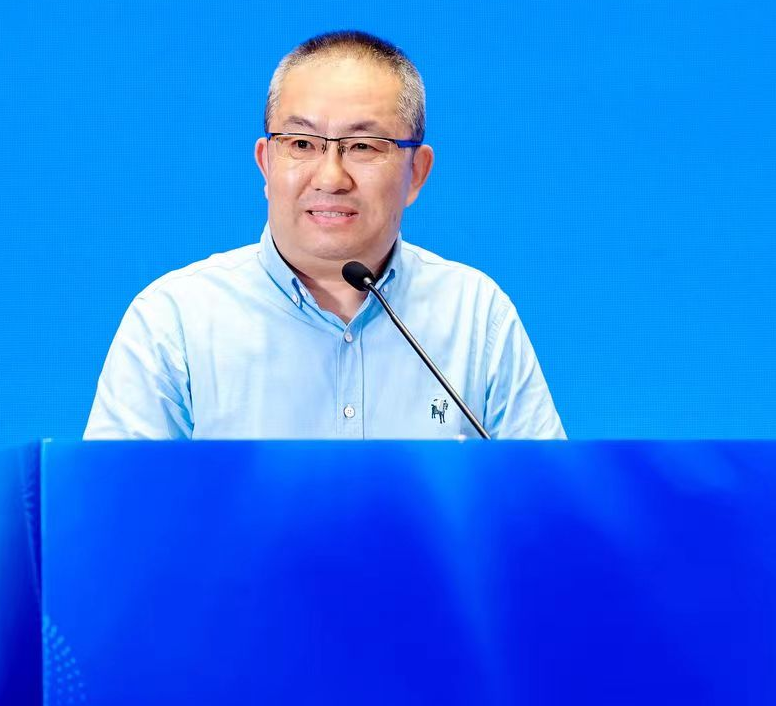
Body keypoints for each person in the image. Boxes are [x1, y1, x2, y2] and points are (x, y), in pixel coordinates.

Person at [84, 30, 564, 440]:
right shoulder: (174, 322)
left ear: (416, 173)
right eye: (301, 143)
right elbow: (112, 511)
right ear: (266, 163)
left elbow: (549, 507)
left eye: (363, 146)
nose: (331, 177)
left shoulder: (475, 315)